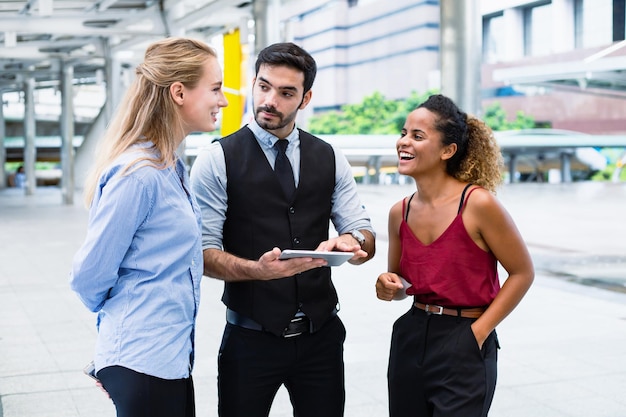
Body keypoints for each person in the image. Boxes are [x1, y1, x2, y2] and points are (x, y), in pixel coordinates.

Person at [190, 42, 376, 417]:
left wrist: (351, 242)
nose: (270, 100)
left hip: (320, 336)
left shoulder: (329, 156)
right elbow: (203, 254)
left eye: (286, 92)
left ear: (305, 99)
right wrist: (257, 271)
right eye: (263, 86)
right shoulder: (216, 160)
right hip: (250, 338)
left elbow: (363, 233)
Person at [69, 37, 228, 417]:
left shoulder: (171, 167)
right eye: (216, 88)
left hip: (168, 360)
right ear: (178, 92)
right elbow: (88, 276)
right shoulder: (139, 175)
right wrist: (119, 340)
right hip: (143, 362)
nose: (222, 100)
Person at [375, 94, 534, 417]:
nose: (404, 142)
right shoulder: (399, 213)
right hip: (411, 336)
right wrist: (387, 285)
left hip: (466, 336)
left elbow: (522, 273)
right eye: (404, 133)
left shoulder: (477, 204)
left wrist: (478, 333)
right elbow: (401, 285)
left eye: (417, 136)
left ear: (448, 151)